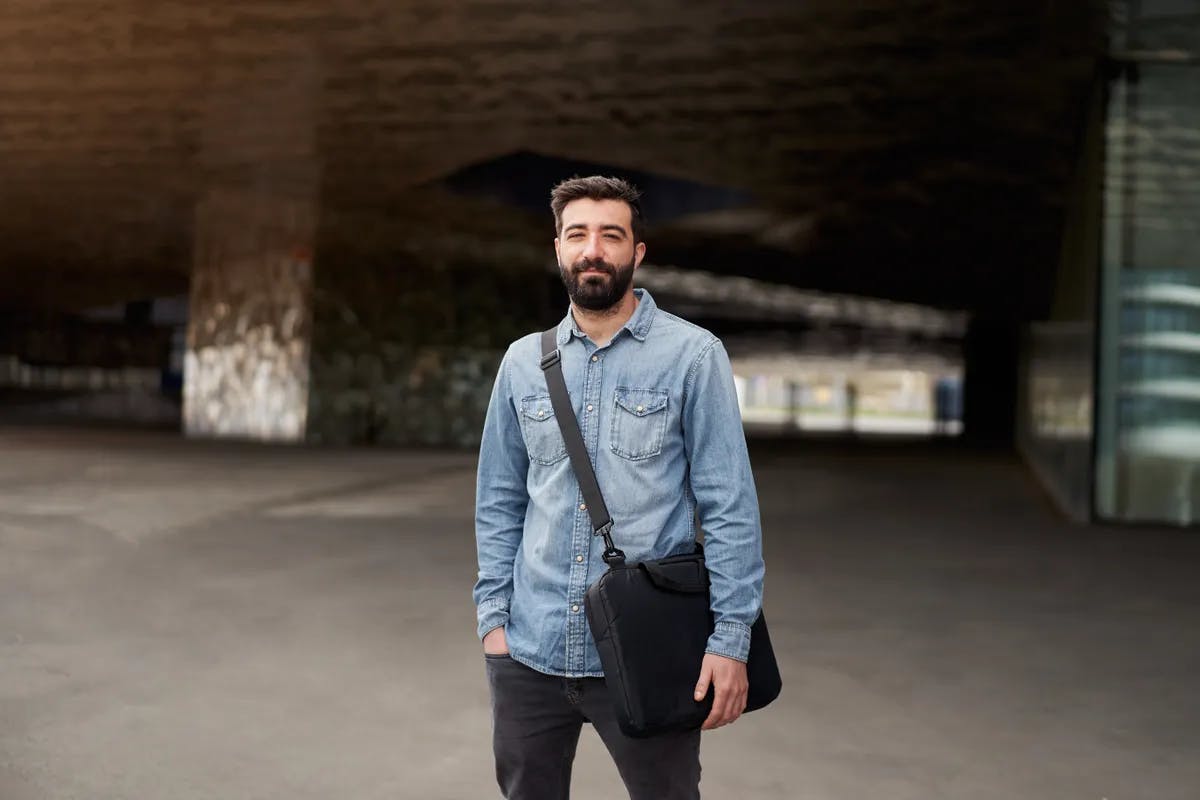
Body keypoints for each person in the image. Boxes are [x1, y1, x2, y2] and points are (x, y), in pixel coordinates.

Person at [473, 176, 765, 800]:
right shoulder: (523, 363)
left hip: (648, 651)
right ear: (557, 248)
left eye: (612, 235)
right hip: (530, 649)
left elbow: (730, 505)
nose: (593, 249)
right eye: (578, 234)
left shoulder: (693, 355)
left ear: (638, 252)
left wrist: (731, 638)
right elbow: (499, 499)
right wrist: (493, 621)